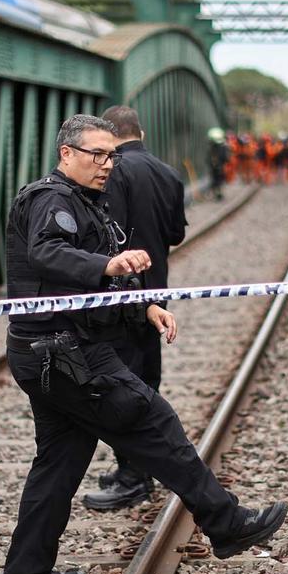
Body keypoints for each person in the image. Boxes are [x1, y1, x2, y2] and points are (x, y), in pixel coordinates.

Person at [0, 114, 287, 574]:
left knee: (58, 465)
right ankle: (226, 521)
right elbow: (47, 253)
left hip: (49, 354)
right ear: (66, 154)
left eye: (111, 155)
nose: (106, 164)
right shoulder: (53, 200)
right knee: (152, 419)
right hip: (67, 354)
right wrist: (106, 263)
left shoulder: (85, 202)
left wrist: (144, 303)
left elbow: (94, 279)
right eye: (96, 155)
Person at [82, 104, 187, 510]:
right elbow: (175, 234)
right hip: (155, 294)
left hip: (121, 297)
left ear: (111, 135)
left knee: (122, 386)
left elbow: (102, 235)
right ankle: (137, 467)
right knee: (145, 381)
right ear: (141, 131)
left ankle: (133, 477)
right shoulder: (168, 173)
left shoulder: (112, 172)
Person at [207, 127, 229, 201]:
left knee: (216, 180)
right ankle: (218, 194)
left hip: (217, 167)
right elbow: (226, 158)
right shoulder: (222, 148)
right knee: (218, 180)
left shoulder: (212, 148)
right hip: (218, 167)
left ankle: (217, 194)